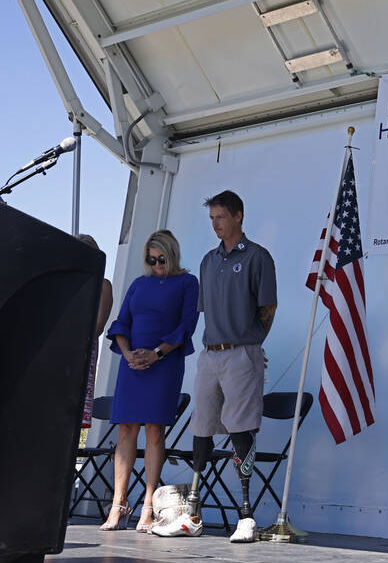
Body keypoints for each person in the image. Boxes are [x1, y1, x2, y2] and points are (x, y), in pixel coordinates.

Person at [154, 190, 277, 542]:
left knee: (241, 426)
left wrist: (253, 346)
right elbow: (207, 310)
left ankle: (246, 515)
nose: (216, 225)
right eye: (212, 219)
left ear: (238, 216)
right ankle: (192, 512)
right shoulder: (209, 261)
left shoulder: (257, 257)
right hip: (210, 353)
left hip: (242, 352)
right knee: (202, 426)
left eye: (221, 217)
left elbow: (267, 309)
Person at [99, 230, 199, 532]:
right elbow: (121, 323)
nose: (156, 264)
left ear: (172, 255)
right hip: (132, 364)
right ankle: (118, 504)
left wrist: (156, 354)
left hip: (163, 363)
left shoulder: (187, 282)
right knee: (126, 430)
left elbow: (187, 325)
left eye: (161, 258)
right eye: (150, 259)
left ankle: (148, 505)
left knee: (155, 431)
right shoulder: (138, 284)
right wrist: (128, 353)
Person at [78, 233, 114, 430]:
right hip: (59, 349)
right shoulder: (68, 284)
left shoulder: (103, 285)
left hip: (82, 348)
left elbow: (98, 326)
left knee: (75, 410)